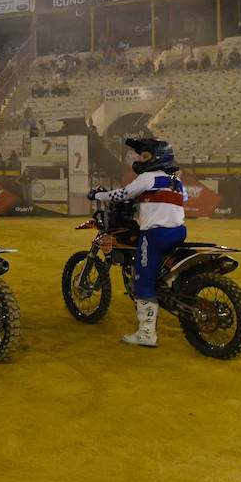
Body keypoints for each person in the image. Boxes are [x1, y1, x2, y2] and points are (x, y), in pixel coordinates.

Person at [88, 138, 186, 348]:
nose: (140, 159)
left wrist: (99, 194)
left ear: (157, 157)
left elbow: (123, 193)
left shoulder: (148, 177)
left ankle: (146, 335)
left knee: (142, 283)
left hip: (156, 235)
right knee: (158, 269)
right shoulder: (175, 180)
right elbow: (180, 198)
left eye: (145, 156)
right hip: (178, 232)